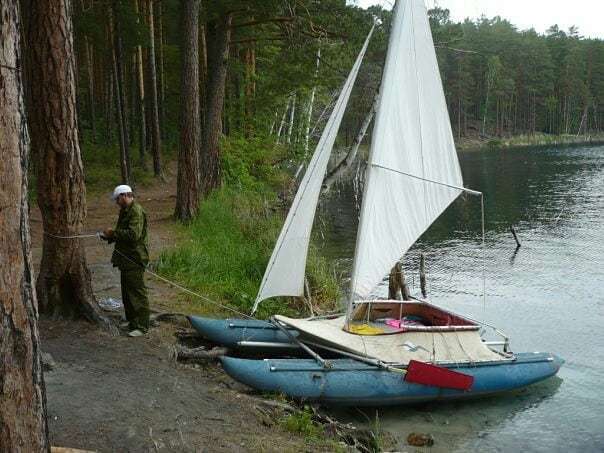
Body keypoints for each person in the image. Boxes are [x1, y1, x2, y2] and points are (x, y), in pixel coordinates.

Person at [102, 185, 150, 337]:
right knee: (127, 294)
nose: (116, 202)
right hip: (125, 259)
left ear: (124, 196)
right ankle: (132, 322)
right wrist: (110, 236)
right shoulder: (125, 210)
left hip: (135, 258)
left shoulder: (136, 211)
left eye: (117, 199)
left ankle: (142, 327)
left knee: (137, 294)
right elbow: (122, 235)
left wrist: (114, 233)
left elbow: (133, 235)